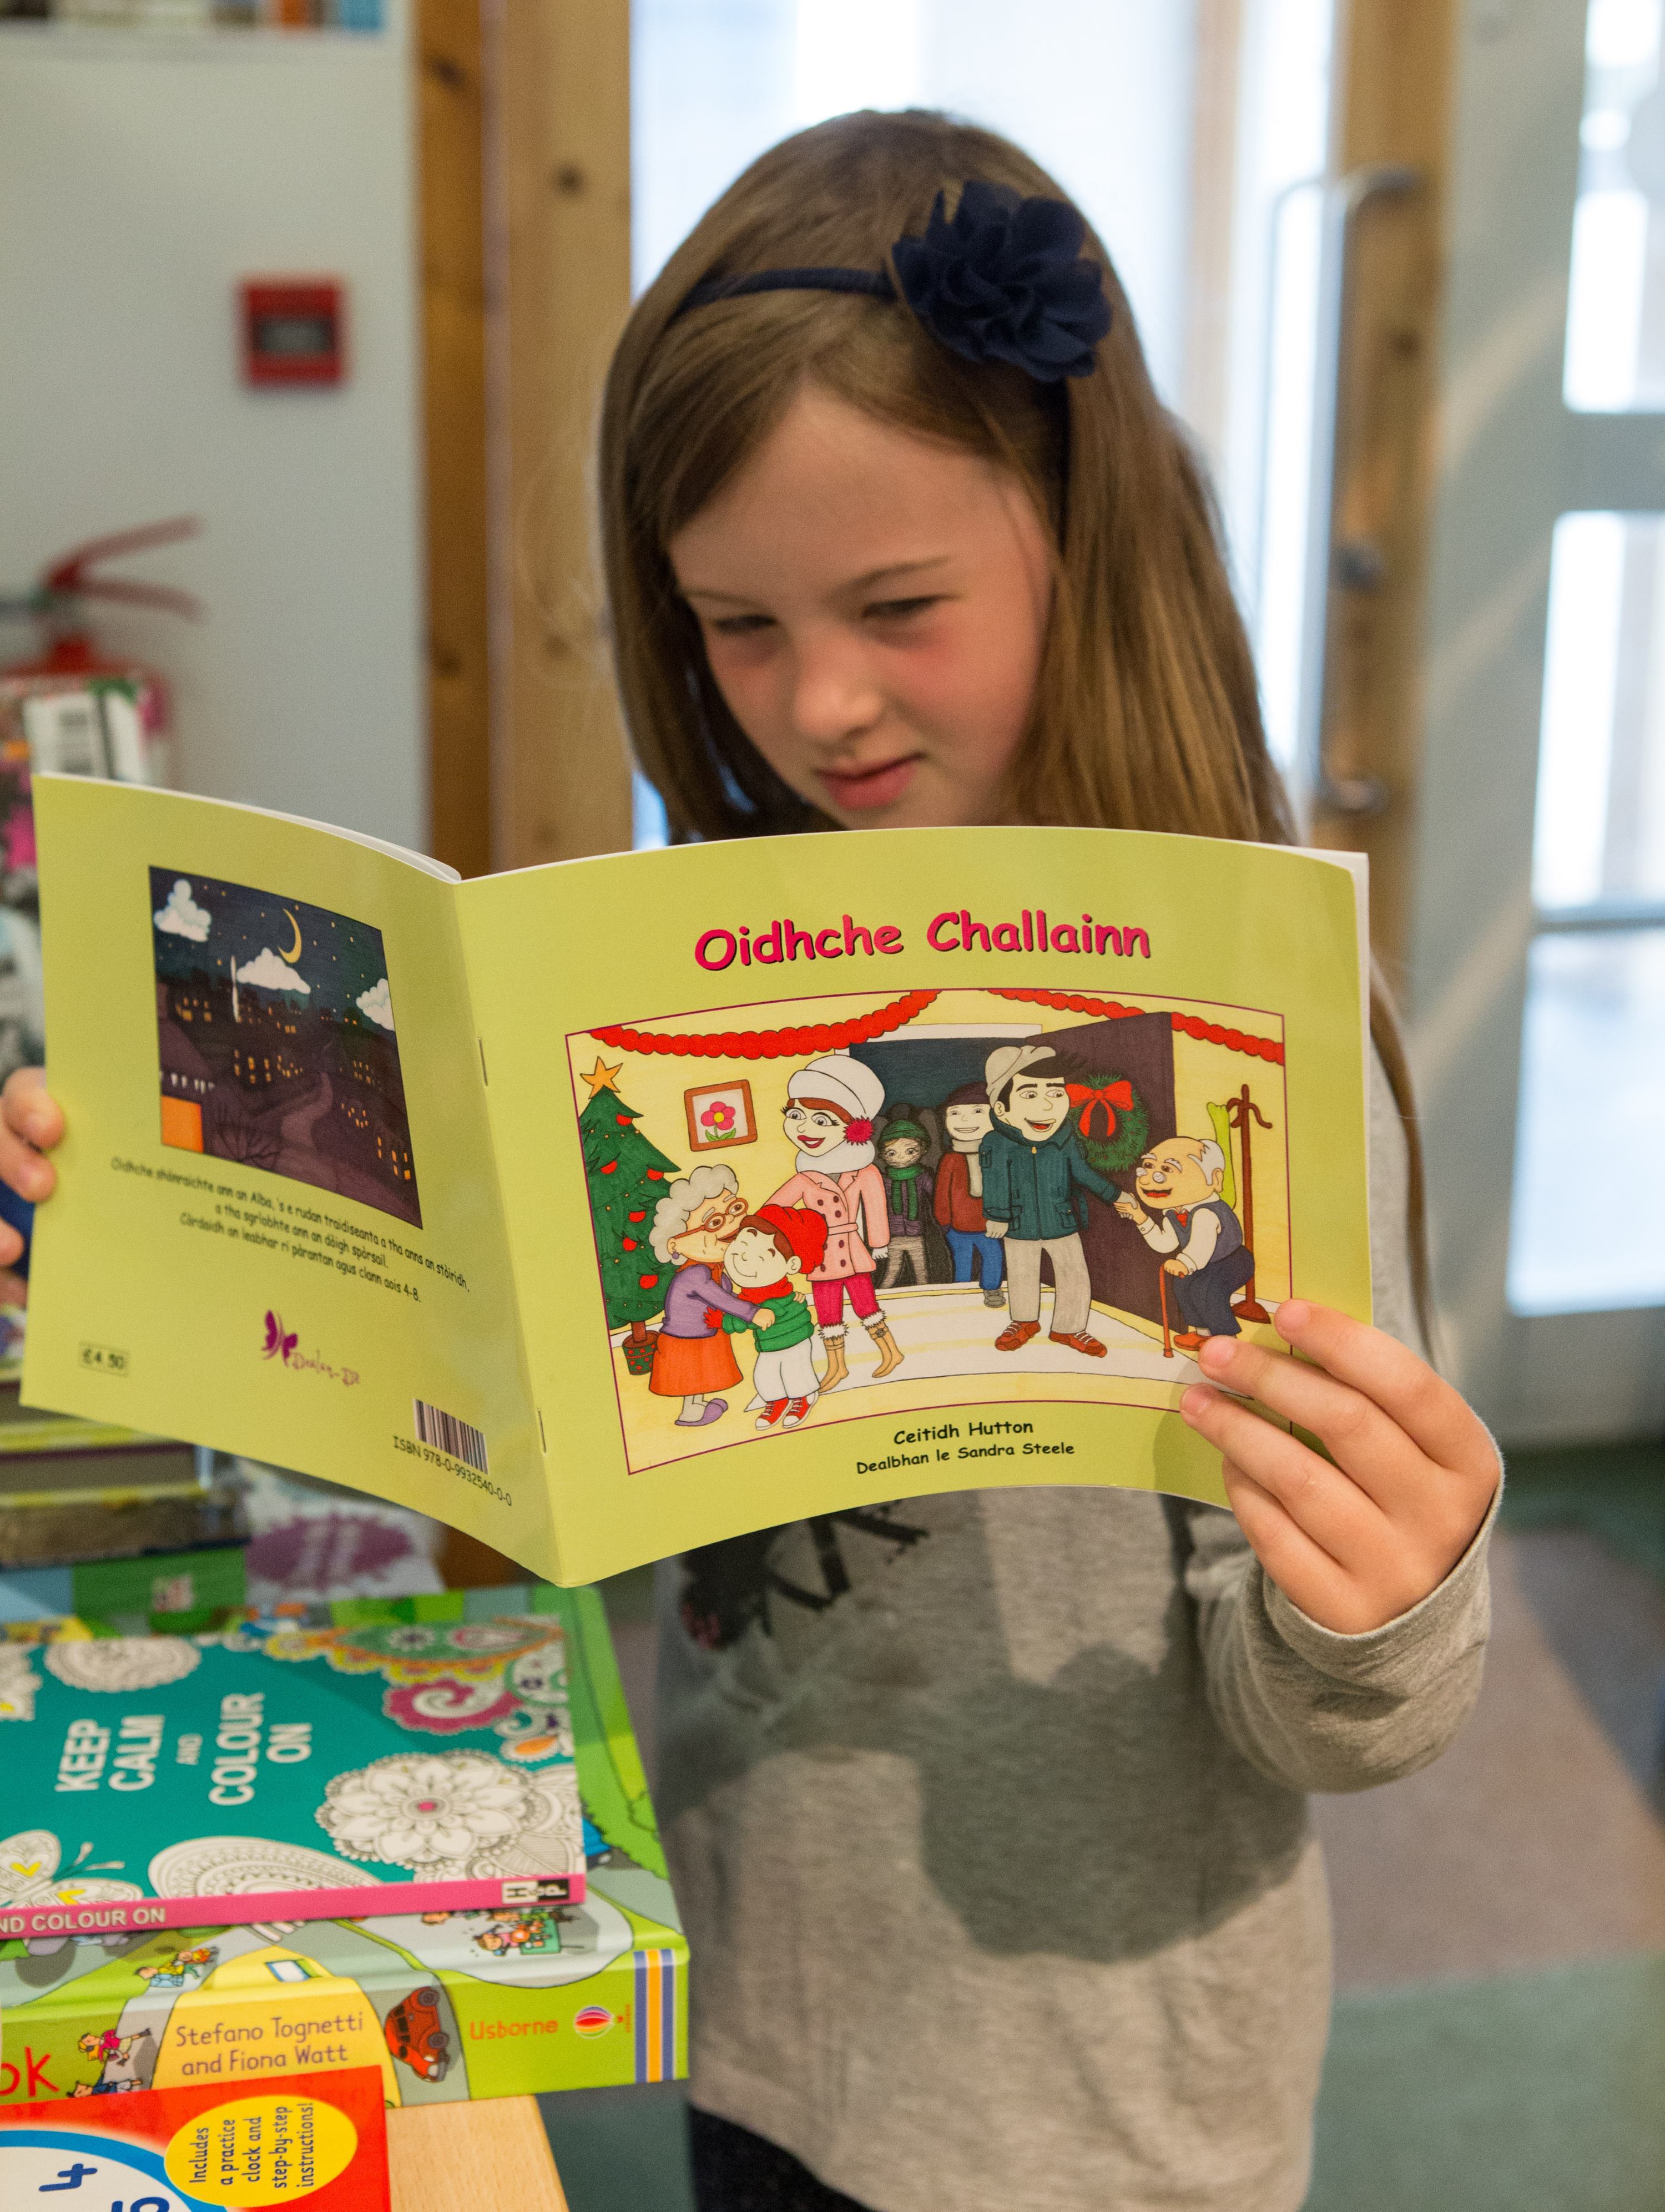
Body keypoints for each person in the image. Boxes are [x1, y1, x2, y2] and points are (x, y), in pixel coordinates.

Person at [1, 110, 1501, 2212]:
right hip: (756, 2008)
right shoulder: (690, 972)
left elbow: (1322, 1706)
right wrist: (146, 1227)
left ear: (1089, 538)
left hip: (1092, 2110)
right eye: (729, 624)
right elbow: (489, 1442)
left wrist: (1386, 1599)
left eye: (899, 603)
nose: (817, 702)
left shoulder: (1237, 1029)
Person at [765, 1052, 904, 1388]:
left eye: (822, 1121)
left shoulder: (864, 1171)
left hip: (853, 1251)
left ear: (851, 1129)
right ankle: (837, 1367)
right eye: (796, 1115)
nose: (804, 1129)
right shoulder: (805, 1176)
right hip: (820, 1255)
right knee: (827, 1314)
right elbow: (771, 1213)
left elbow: (875, 1209)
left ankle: (891, 1352)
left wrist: (880, 1244)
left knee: (867, 1306)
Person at [977, 1041, 1119, 1357]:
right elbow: (995, 1180)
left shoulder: (1066, 1137)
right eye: (1030, 1095)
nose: (1047, 1107)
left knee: (1074, 1274)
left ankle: (1070, 1328)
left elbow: (1082, 1173)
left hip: (1062, 1219)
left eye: (1055, 1093)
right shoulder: (996, 1142)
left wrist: (1116, 1195)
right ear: (1002, 1108)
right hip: (1017, 1223)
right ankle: (1024, 1321)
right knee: (1022, 1273)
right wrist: (997, 1214)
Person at [645, 1163, 758, 1426]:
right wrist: (753, 1312)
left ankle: (698, 1407)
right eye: (714, 1222)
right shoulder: (695, 1274)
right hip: (685, 1341)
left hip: (704, 1334)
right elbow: (723, 1300)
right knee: (692, 1380)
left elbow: (732, 1291)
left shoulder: (715, 1267)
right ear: (676, 1243)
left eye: (735, 1209)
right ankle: (691, 1414)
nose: (730, 1224)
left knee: (702, 1379)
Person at [1117, 1134, 1257, 1346]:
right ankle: (1203, 1333)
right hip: (1201, 1263)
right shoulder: (1172, 1213)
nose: (1148, 1178)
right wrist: (1140, 1217)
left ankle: (1227, 1337)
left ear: (1215, 1179)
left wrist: (1184, 1263)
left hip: (1232, 1262)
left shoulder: (1206, 1213)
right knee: (1182, 1286)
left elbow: (1201, 1246)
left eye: (1167, 1170)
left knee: (1207, 1291)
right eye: (1148, 1166)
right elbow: (1165, 1244)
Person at [932, 1080, 1005, 1305]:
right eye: (955, 1113)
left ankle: (992, 1290)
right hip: (958, 1227)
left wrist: (1003, 1218)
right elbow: (942, 1193)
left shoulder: (998, 1155)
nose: (965, 1120)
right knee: (961, 1261)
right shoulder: (951, 1159)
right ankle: (961, 1292)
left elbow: (1005, 1189)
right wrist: (943, 1222)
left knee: (993, 1258)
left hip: (989, 1226)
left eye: (977, 1111)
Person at [874, 1110, 932, 1287]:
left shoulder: (923, 1177)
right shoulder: (884, 1180)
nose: (900, 1157)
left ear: (923, 1150)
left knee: (922, 1273)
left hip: (917, 1233)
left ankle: (926, 1298)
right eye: (892, 1153)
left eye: (910, 1151)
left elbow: (936, 1199)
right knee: (891, 1272)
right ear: (883, 1155)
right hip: (892, 1236)